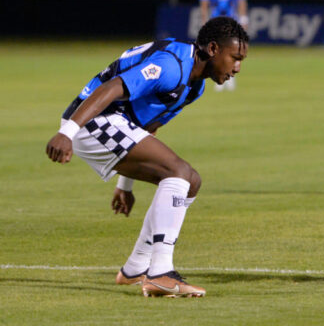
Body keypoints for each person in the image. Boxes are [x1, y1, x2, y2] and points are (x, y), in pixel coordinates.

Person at [45, 17, 249, 297]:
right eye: (235, 58)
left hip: (114, 123)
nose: (237, 68)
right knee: (177, 172)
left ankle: (136, 268)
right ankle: (161, 272)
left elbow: (144, 129)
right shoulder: (172, 66)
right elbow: (112, 88)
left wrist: (124, 185)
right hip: (92, 119)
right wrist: (67, 132)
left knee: (190, 181)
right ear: (213, 48)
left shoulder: (194, 85)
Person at [198, 0, 248, 92]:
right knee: (215, 50)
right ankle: (218, 76)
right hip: (214, 21)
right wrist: (204, 21)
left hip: (232, 21)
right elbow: (204, 3)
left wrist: (244, 18)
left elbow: (241, 1)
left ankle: (231, 76)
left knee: (233, 50)